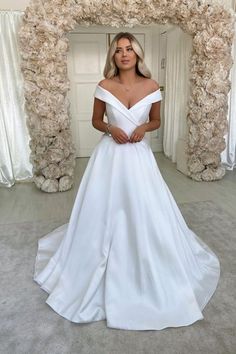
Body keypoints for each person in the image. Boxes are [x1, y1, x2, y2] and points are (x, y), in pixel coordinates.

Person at [34, 32, 220, 331]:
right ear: (113, 56)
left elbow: (156, 120)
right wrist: (110, 129)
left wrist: (144, 127)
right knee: (103, 211)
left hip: (139, 157)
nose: (124, 54)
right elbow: (96, 120)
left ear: (137, 55)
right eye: (118, 50)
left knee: (146, 208)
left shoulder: (151, 86)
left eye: (129, 49)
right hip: (110, 157)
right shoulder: (104, 86)